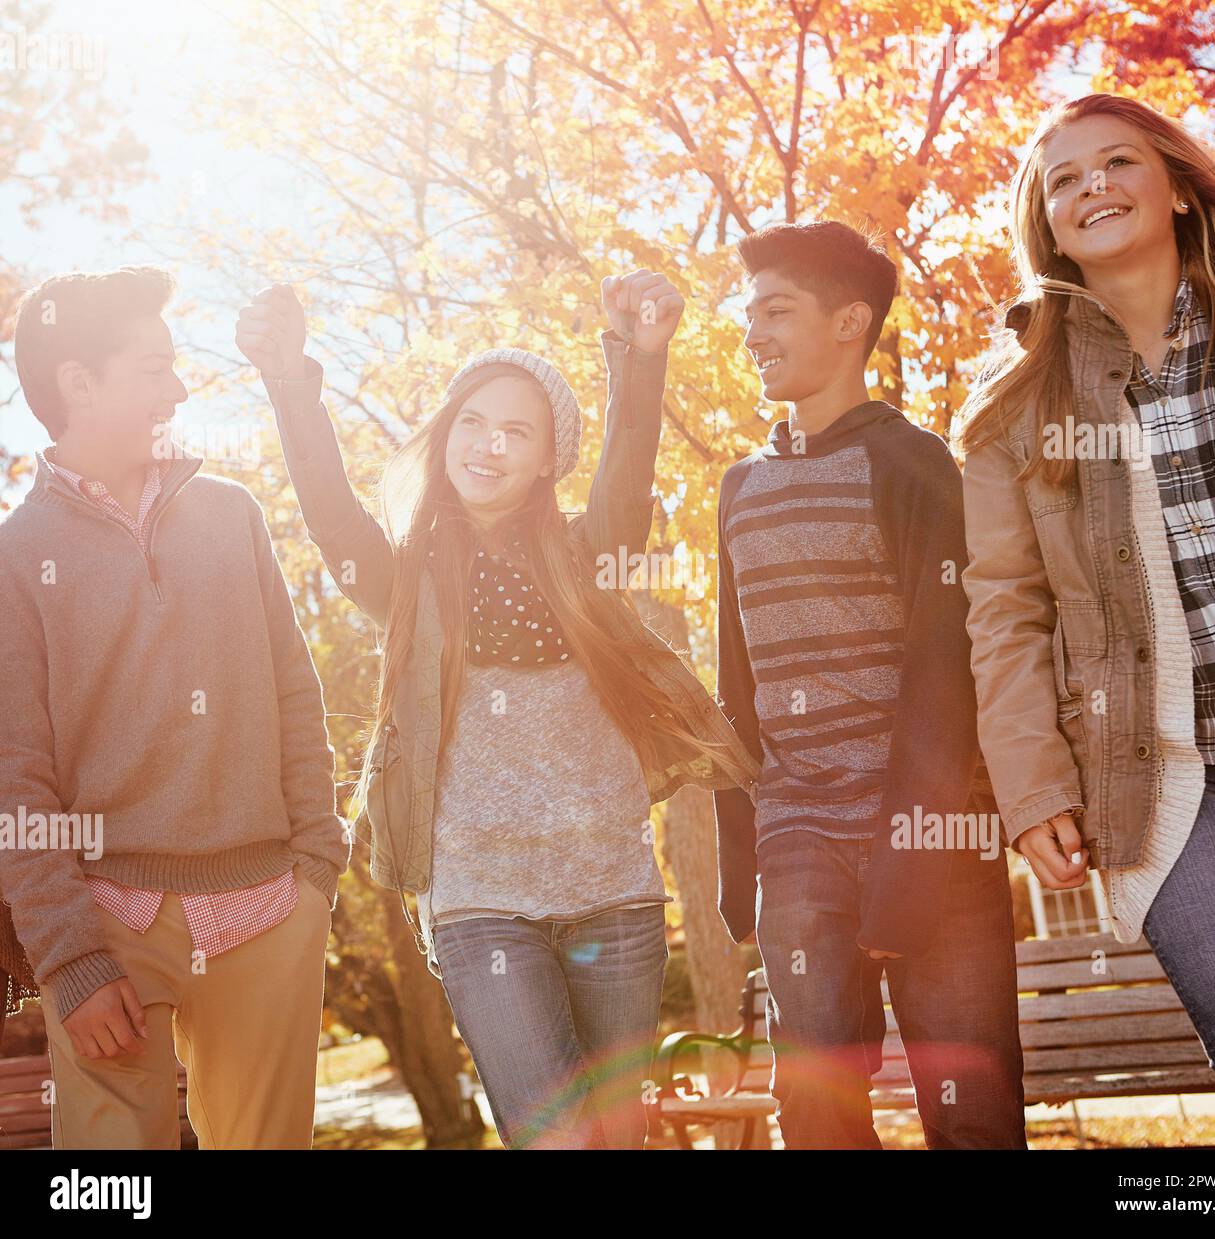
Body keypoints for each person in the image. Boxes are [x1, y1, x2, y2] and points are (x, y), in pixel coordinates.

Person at [237, 272, 760, 1149]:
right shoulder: (406, 582)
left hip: (612, 891)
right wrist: (289, 382)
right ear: (445, 437)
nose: (489, 444)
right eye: (473, 423)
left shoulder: (588, 557)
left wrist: (642, 356)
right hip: (480, 899)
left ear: (550, 457)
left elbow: (629, 479)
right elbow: (330, 516)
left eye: (517, 430)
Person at [958, 93, 1215, 1149]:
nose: (1092, 186)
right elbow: (1002, 610)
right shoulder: (1014, 410)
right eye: (1063, 180)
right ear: (1046, 224)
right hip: (1156, 775)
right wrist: (1029, 790)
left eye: (1116, 162)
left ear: (1179, 191)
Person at [0, 267, 349, 1149]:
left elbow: (294, 696)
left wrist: (316, 864)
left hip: (271, 904)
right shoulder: (16, 555)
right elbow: (16, 782)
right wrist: (71, 960)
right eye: (154, 368)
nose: (179, 387)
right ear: (79, 382)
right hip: (109, 917)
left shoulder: (232, 515)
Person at [713, 220, 1026, 1149]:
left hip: (933, 836)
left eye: (777, 310)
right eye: (747, 313)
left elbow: (946, 667)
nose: (753, 332)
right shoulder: (738, 486)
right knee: (815, 1116)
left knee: (972, 1114)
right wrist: (742, 851)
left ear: (850, 322)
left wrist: (908, 857)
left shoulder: (911, 460)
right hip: (798, 833)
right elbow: (739, 678)